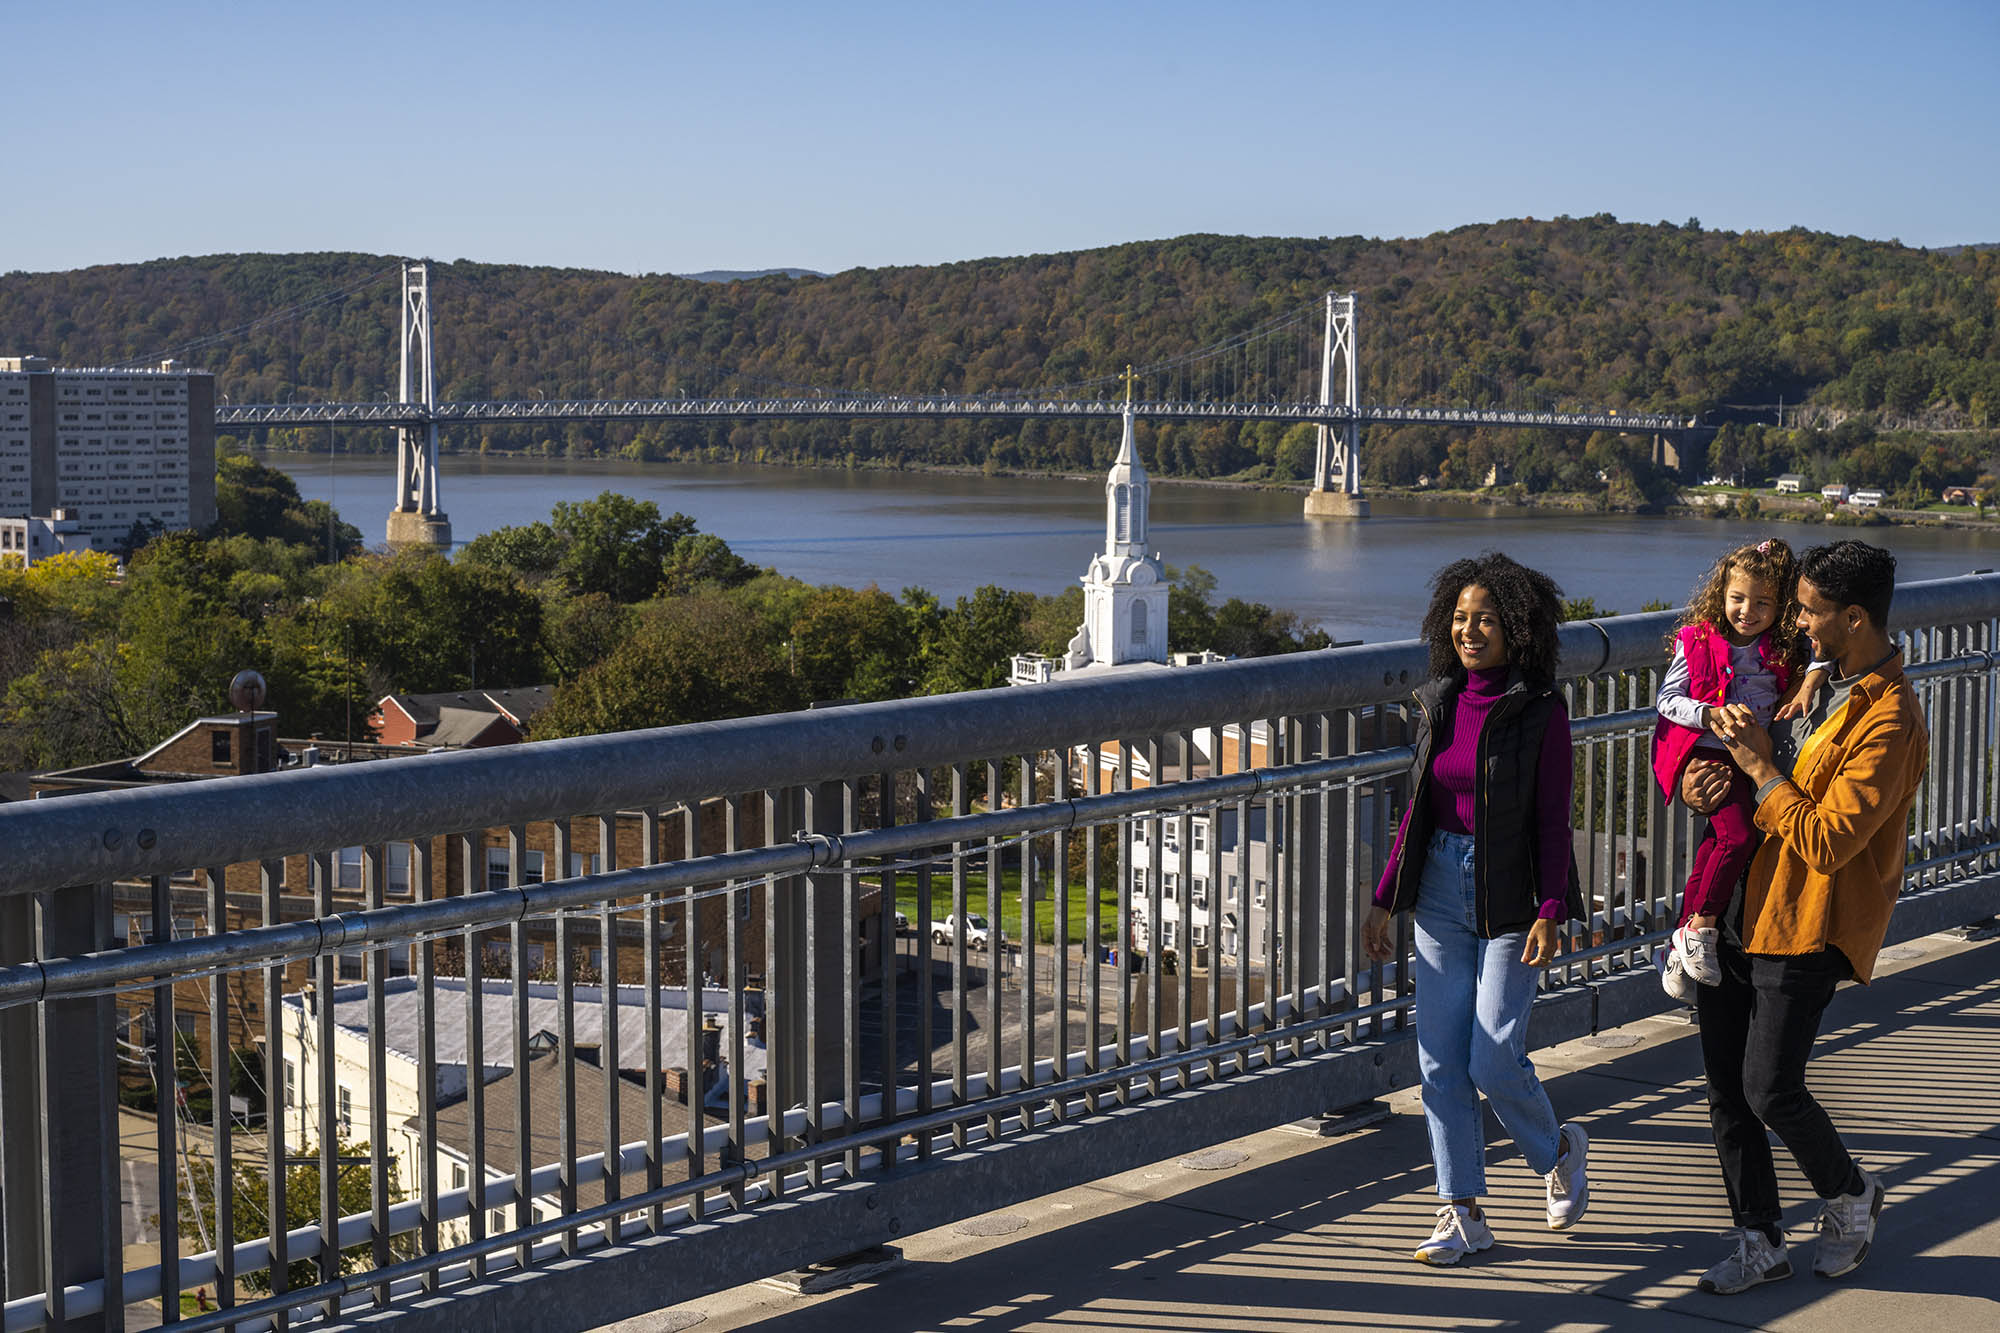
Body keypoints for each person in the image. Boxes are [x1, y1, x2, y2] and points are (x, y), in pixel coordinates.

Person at [1680, 540, 1928, 1294]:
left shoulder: (1891, 720)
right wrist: (1710, 780)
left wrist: (1756, 765)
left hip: (1808, 918)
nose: (1797, 623)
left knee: (1770, 1086)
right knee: (1726, 1086)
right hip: (1744, 900)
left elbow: (1827, 838)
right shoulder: (1815, 679)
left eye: (1810, 612)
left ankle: (1851, 1194)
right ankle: (1759, 1240)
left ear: (1855, 618)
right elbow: (1761, 772)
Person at [1362, 552, 1590, 1266]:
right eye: (1460, 618)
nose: (1470, 629)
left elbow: (1555, 819)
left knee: (1491, 1054)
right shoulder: (1438, 701)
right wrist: (1384, 899)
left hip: (1513, 900)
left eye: (1485, 618)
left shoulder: (1541, 712)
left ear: (1516, 627)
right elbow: (1416, 814)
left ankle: (1556, 1149)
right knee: (1438, 1062)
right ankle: (1461, 1210)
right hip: (1436, 890)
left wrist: (1552, 907)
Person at [1651, 538, 1829, 998]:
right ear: (1721, 595)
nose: (1747, 611)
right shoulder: (1697, 641)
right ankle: (1702, 927)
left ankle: (1680, 937)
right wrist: (1709, 714)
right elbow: (1667, 701)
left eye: (1762, 602)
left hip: (1754, 757)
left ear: (1781, 606)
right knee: (1738, 836)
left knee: (1718, 842)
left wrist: (1809, 679)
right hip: (1713, 753)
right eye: (1737, 599)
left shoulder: (1780, 647)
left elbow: (1824, 653)